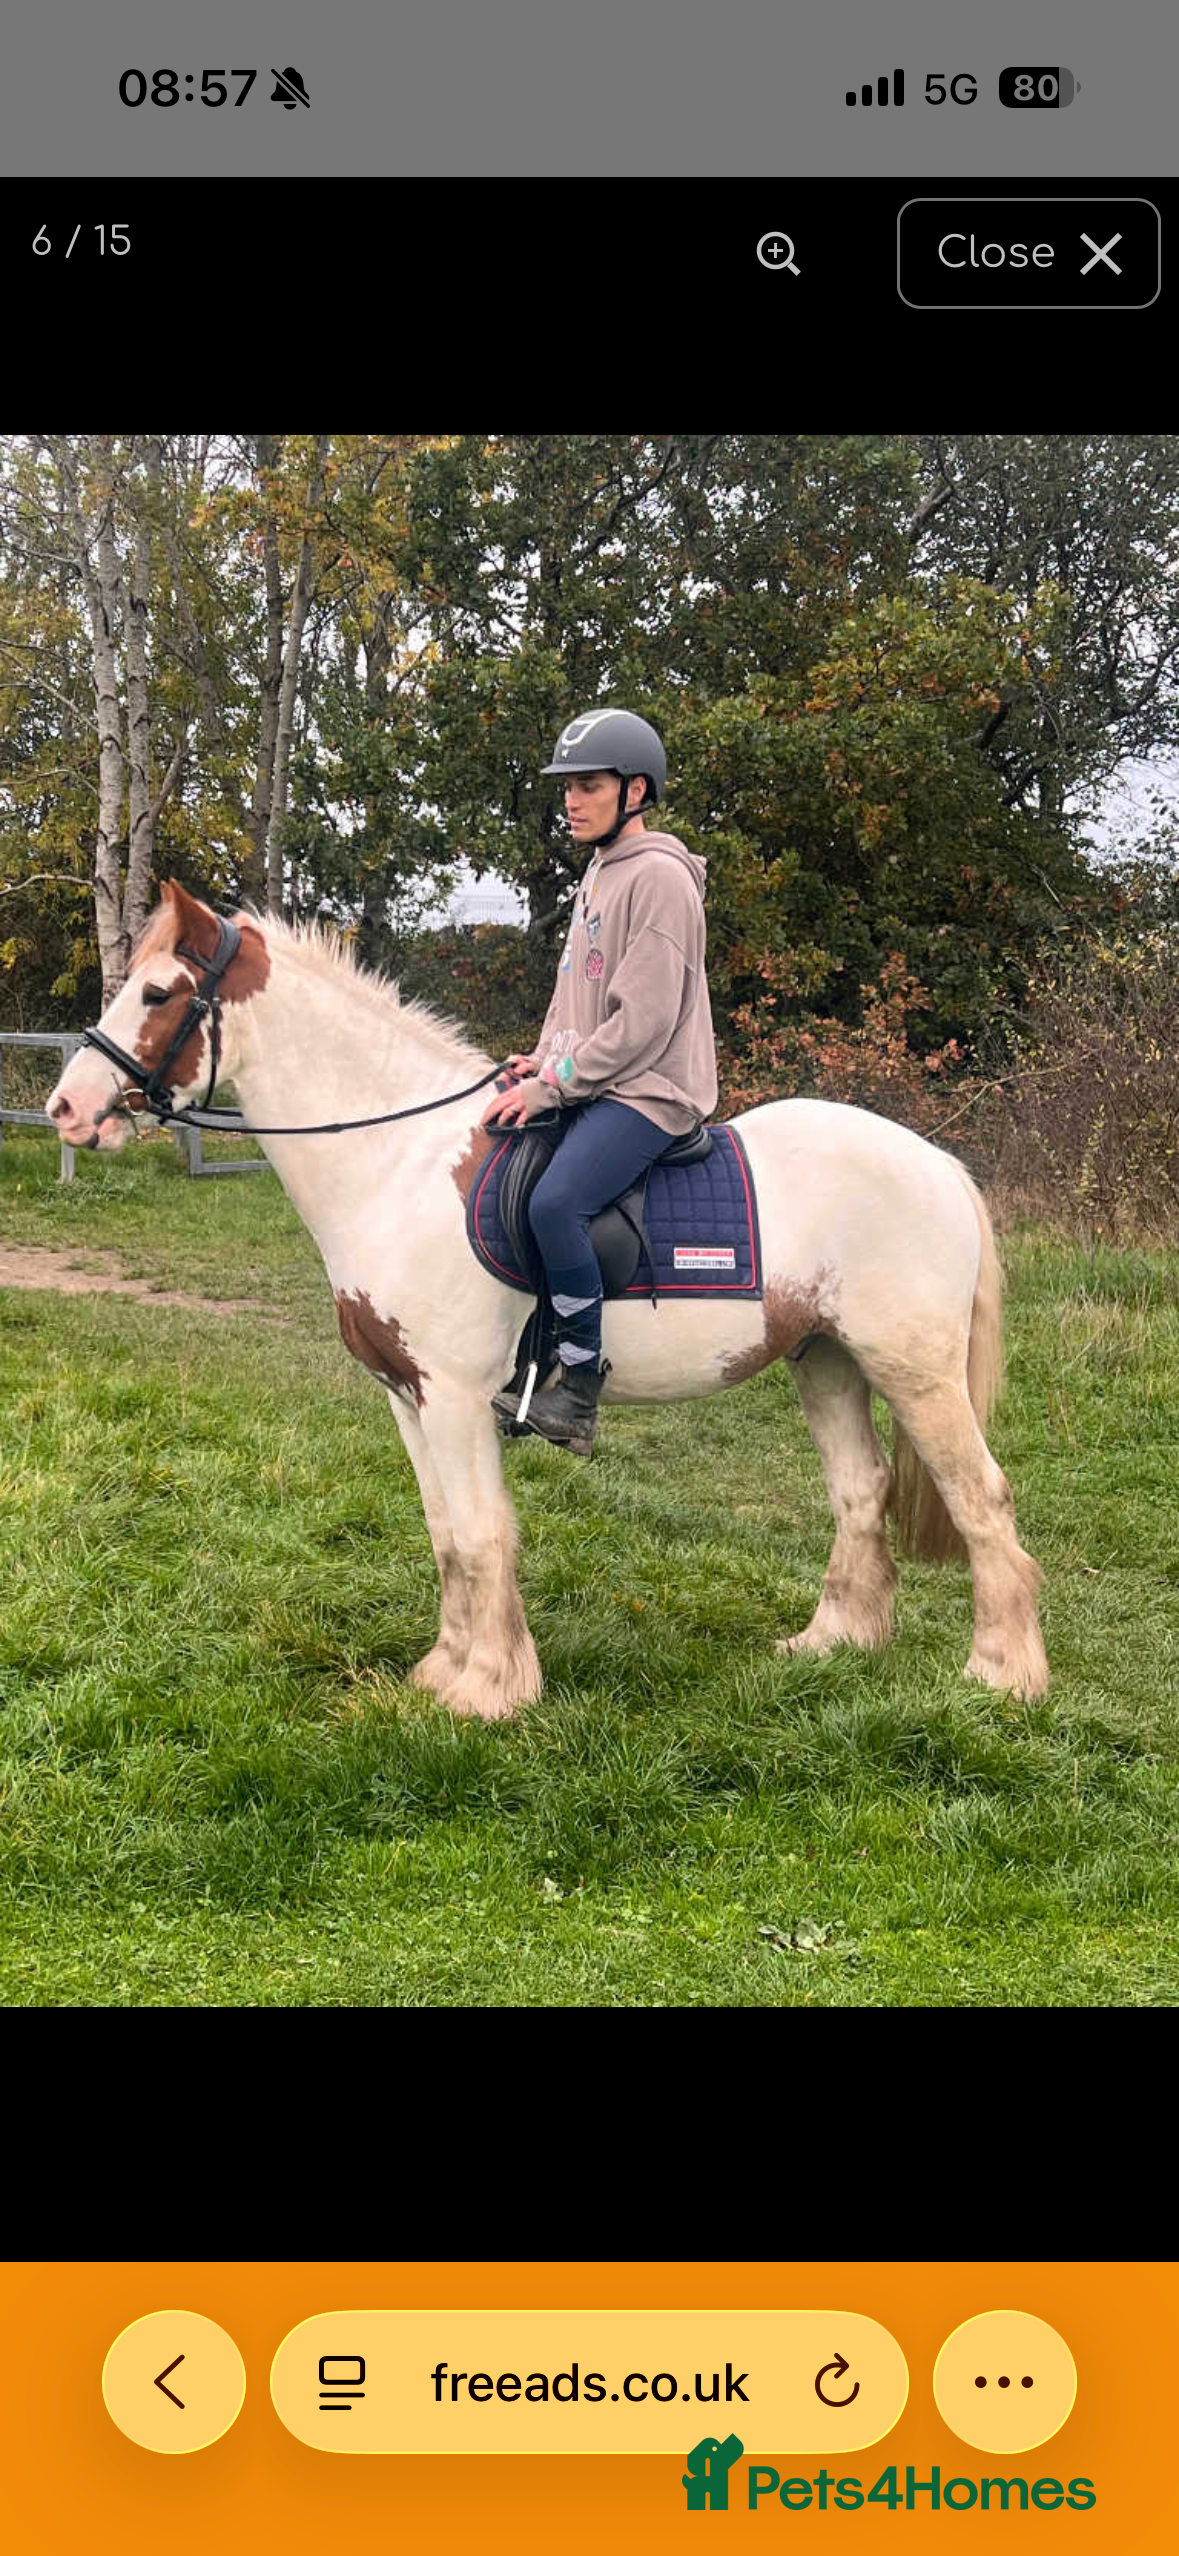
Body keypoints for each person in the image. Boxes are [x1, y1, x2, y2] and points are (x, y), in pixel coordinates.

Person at [482, 708, 718, 1455]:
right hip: (601, 1079)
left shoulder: (659, 881)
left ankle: (579, 1388)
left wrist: (553, 1088)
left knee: (556, 1203)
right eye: (566, 789)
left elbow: (642, 1020)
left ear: (635, 790)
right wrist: (540, 1058)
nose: (571, 802)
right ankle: (531, 1356)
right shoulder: (600, 872)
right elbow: (574, 996)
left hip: (650, 1090)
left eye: (587, 786)